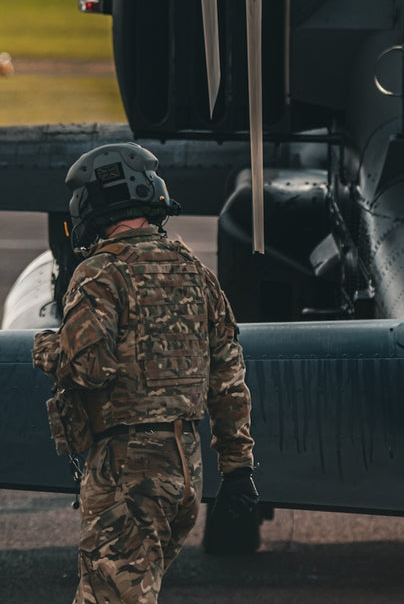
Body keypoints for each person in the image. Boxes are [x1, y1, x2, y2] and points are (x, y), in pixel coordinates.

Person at [32, 142, 258, 603]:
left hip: (127, 469)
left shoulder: (100, 273)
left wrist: (47, 348)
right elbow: (228, 377)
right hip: (184, 471)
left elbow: (87, 368)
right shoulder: (196, 272)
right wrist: (237, 469)